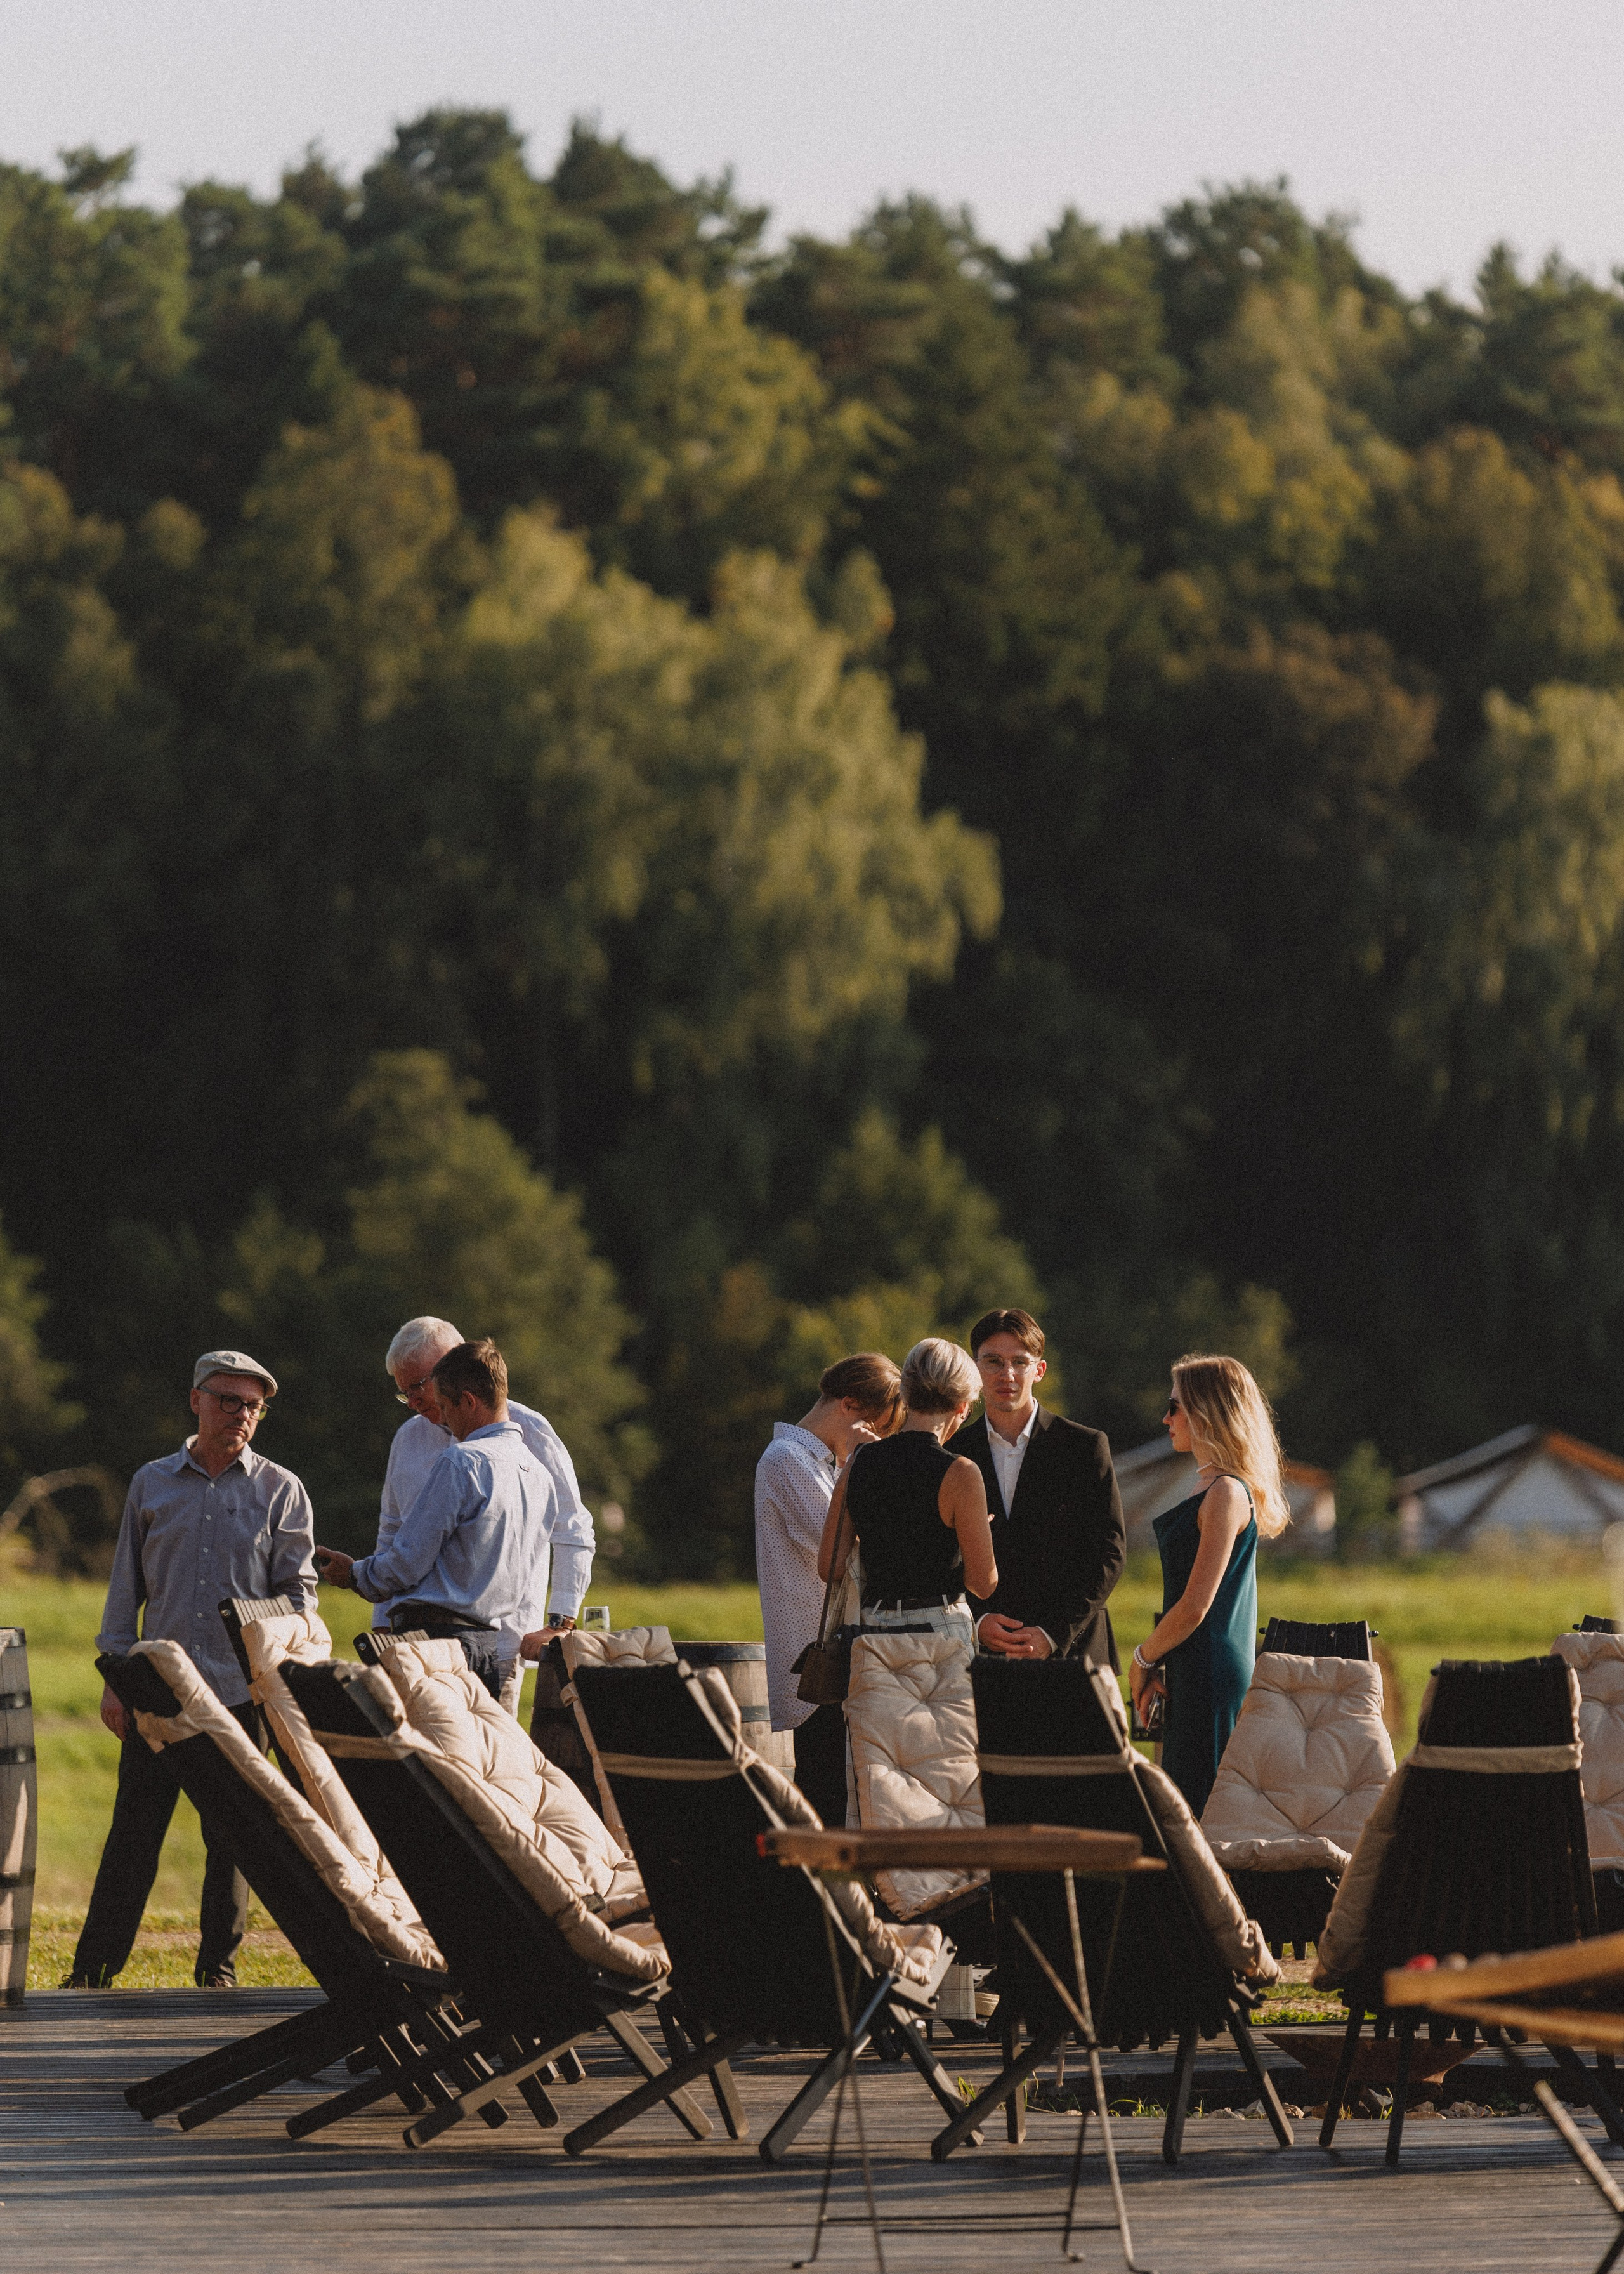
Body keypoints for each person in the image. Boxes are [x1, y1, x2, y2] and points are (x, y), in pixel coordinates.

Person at [67, 1350, 316, 1989]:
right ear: (196, 1400)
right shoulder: (151, 1482)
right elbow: (126, 1589)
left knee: (232, 1842)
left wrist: (257, 1630)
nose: (242, 1413)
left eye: (254, 1405)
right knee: (133, 1835)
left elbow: (300, 1599)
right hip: (157, 1690)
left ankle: (218, 1974)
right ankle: (92, 1972)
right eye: (230, 1399)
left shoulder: (280, 1489)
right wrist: (115, 1680)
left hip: (240, 1693)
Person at [316, 1339, 555, 1714]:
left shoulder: (462, 1462)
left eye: (445, 1408)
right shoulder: (539, 1474)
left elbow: (407, 1561)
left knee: (433, 1767)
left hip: (437, 1643)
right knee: (478, 1766)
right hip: (490, 1649)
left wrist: (355, 1575)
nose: (444, 1421)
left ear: (469, 1402)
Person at [369, 1316, 597, 1689]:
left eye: (418, 1388)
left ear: (454, 1366)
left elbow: (572, 1529)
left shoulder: (529, 1431)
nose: (412, 1404)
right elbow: (392, 1531)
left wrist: (560, 1624)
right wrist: (381, 1626)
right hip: (412, 1645)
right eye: (403, 1393)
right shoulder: (408, 1439)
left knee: (490, 1746)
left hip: (500, 1647)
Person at [1129, 1353, 1292, 1815]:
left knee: (1200, 1818)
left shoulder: (1225, 1493)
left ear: (1207, 1413)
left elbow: (1195, 1607)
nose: (1166, 1417)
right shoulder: (1214, 1489)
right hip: (1192, 1668)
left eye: (1175, 1406)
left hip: (1209, 1674)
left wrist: (1143, 1657)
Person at [754, 1353, 905, 1829]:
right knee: (826, 1800)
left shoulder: (817, 1461)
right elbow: (841, 1549)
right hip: (815, 1662)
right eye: (877, 1428)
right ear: (849, 1405)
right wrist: (859, 1467)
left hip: (834, 1659)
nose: (879, 1442)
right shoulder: (788, 1460)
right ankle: (828, 1902)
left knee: (844, 1796)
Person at [954, 1309, 1125, 1666]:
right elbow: (937, 1552)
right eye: (993, 1361)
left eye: (1020, 1361)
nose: (1008, 1374)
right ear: (974, 1369)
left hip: (1073, 1652)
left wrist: (1054, 1633)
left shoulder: (1085, 1446)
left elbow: (1109, 1551)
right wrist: (977, 1620)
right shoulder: (952, 1451)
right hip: (980, 1654)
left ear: (1039, 1370)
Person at [816, 1338, 995, 1658]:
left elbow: (831, 1569)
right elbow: (983, 1583)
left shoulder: (861, 1460)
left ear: (904, 1394)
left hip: (872, 1635)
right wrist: (973, 1533)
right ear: (963, 1407)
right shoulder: (962, 1473)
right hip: (940, 1634)